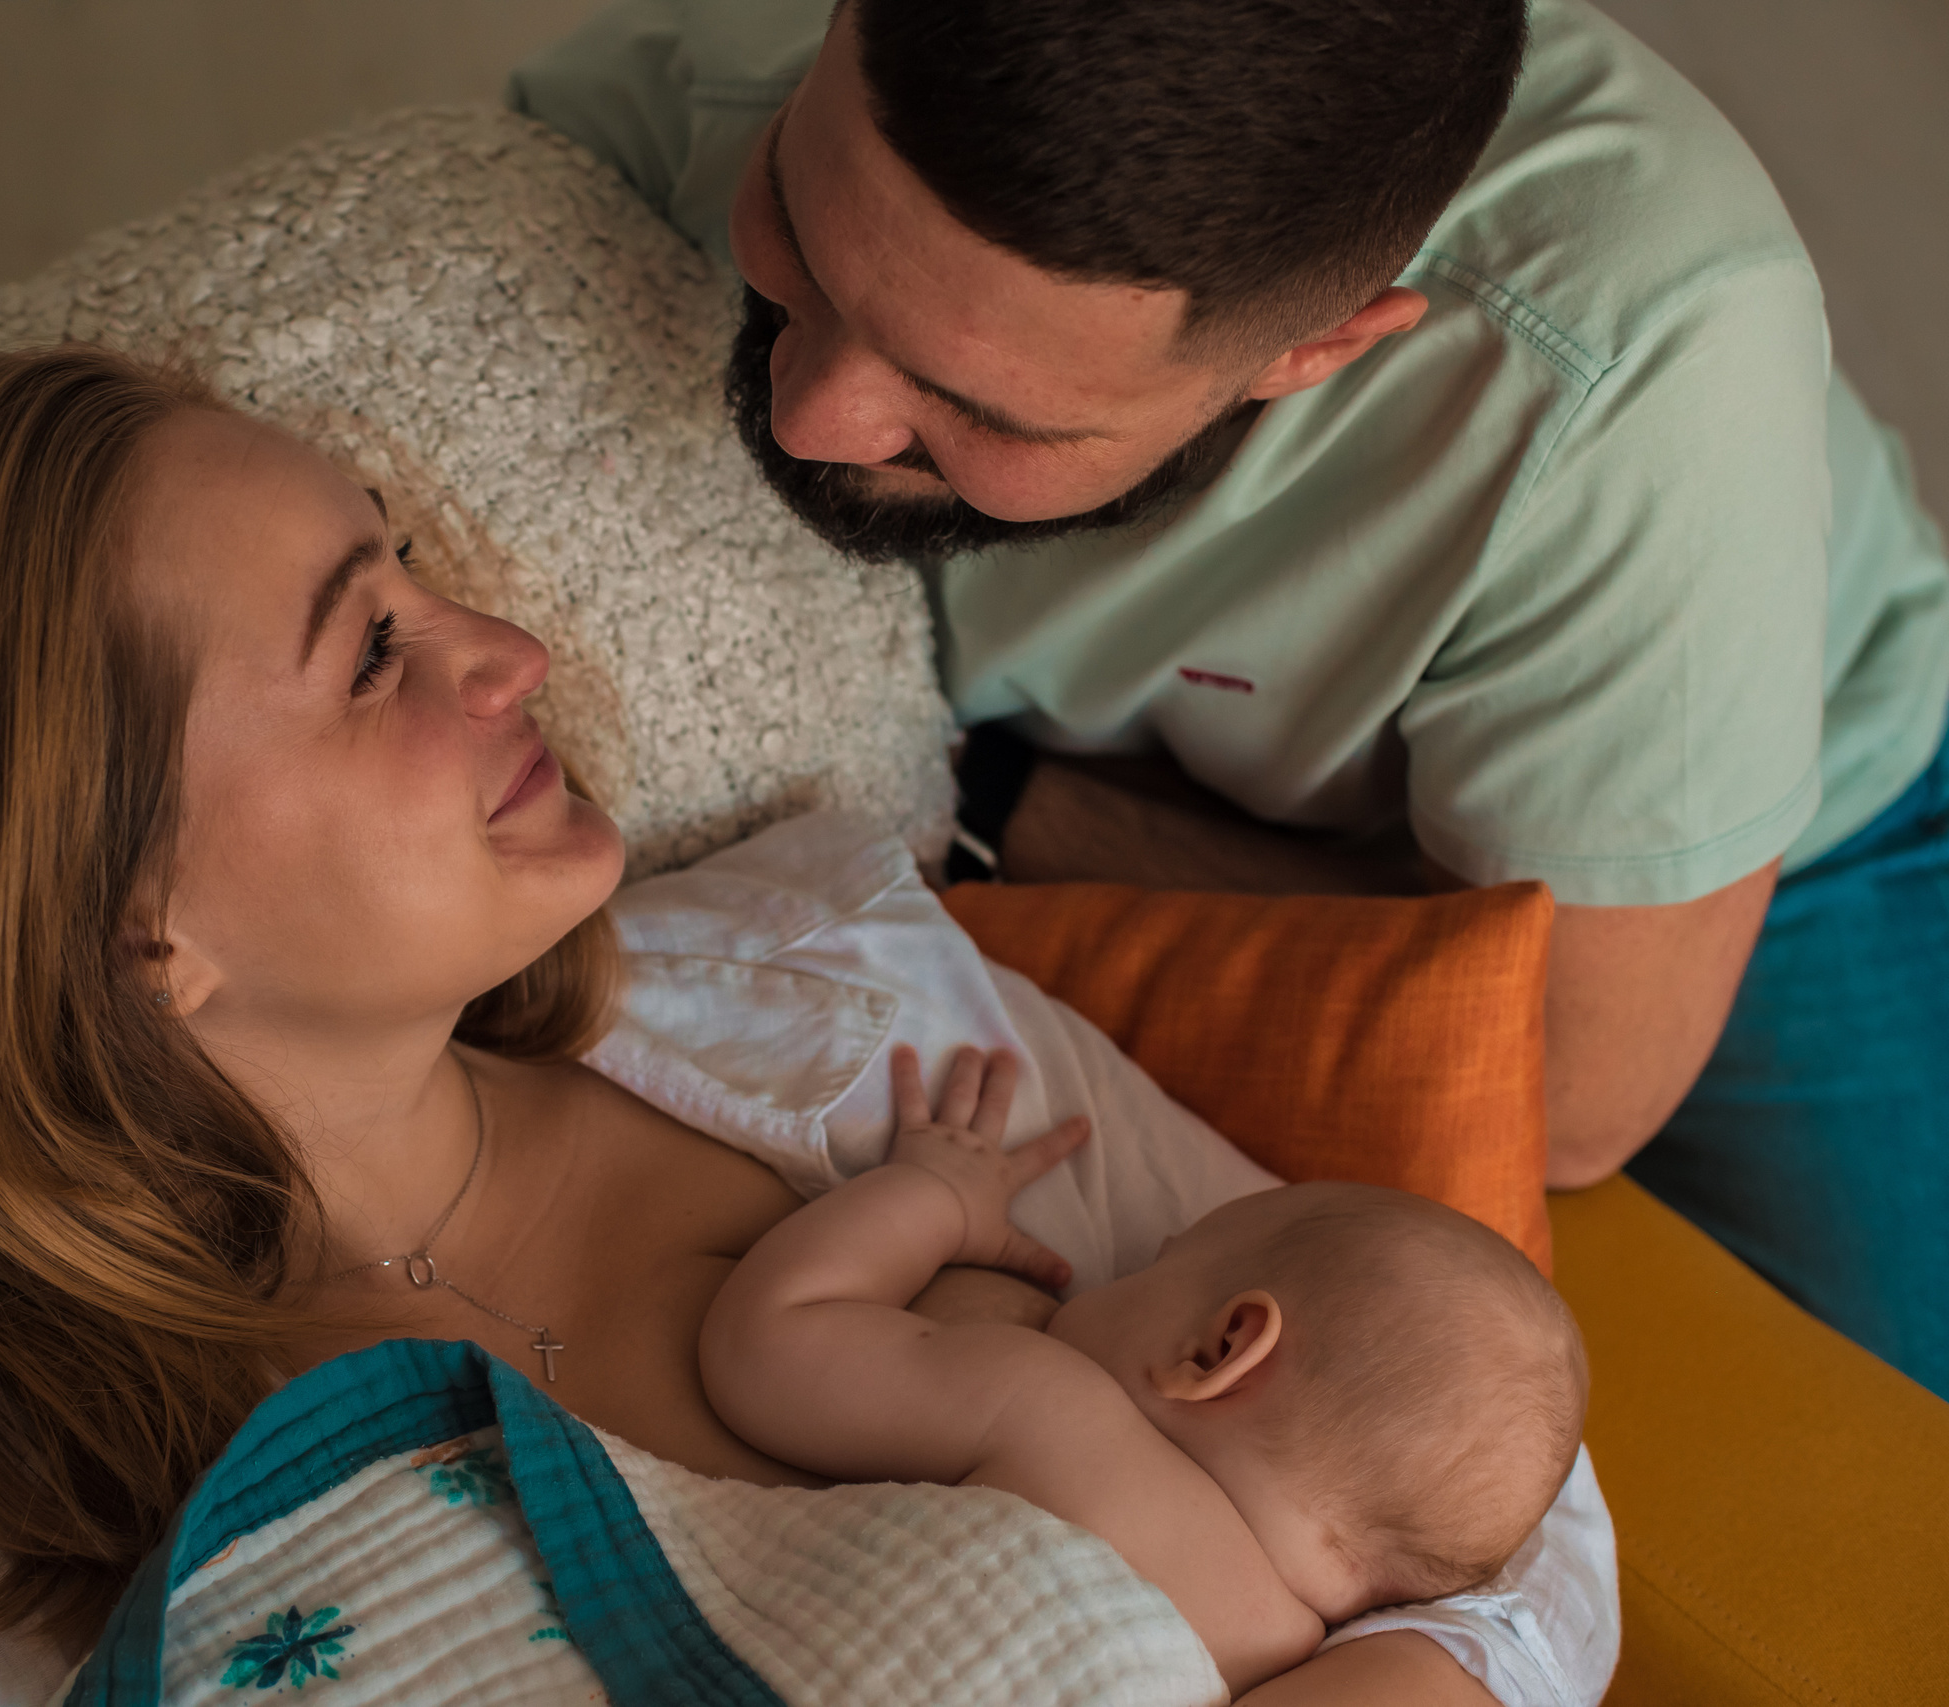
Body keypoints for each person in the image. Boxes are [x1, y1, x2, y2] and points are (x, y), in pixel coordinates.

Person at [0, 345, 1612, 1706]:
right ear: (129, 922)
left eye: (403, 554)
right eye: (369, 647)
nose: (510, 647)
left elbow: (1465, 1457)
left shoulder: (832, 1001)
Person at [508, 0, 1949, 1397]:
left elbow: (1569, 1082)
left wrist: (977, 796)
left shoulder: (1638, 357)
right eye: (800, 236)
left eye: (985, 412)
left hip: (1761, 844)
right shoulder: (676, 103)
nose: (807, 410)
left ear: (1316, 353)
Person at [703, 1045, 1589, 1699]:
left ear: (1218, 1351)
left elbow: (762, 1344)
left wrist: (937, 1196)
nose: (1117, 1268)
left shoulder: (1051, 1407)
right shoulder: (1285, 1656)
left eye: (1152, 1266)